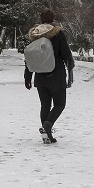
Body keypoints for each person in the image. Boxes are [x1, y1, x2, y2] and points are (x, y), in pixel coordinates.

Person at [24, 8, 75, 144]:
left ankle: (47, 135)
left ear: (41, 19)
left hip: (40, 77)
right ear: (53, 18)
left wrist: (27, 77)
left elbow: (30, 58)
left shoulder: (35, 34)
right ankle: (47, 125)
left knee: (45, 106)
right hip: (56, 75)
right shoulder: (58, 34)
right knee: (60, 104)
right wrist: (70, 72)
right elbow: (67, 55)